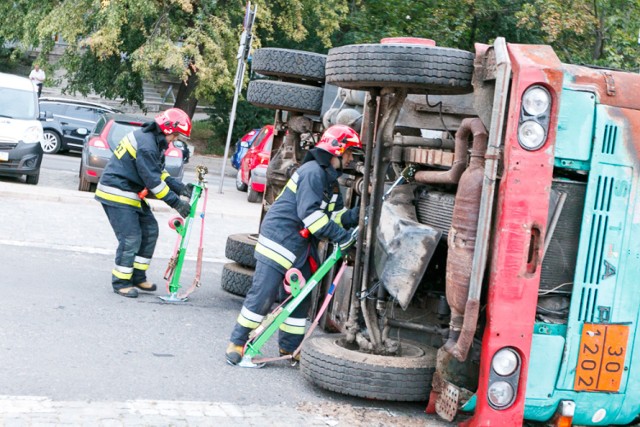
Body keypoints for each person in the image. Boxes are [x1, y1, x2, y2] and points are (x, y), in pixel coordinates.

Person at [225, 124, 363, 365]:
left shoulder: (330, 181)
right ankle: (237, 342)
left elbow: (335, 216)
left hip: (300, 244)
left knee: (300, 297)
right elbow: (312, 217)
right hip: (280, 239)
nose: (351, 159)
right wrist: (343, 238)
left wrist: (358, 215)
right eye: (349, 153)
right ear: (336, 150)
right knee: (263, 295)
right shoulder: (312, 173)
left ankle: (289, 348)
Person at [96, 108, 194, 298]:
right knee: (131, 237)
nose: (174, 139)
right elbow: (153, 182)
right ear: (166, 129)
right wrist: (176, 203)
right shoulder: (147, 145)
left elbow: (157, 172)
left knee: (150, 230)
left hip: (129, 191)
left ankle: (137, 277)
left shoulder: (153, 141)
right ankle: (121, 282)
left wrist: (178, 187)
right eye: (175, 134)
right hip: (116, 192)